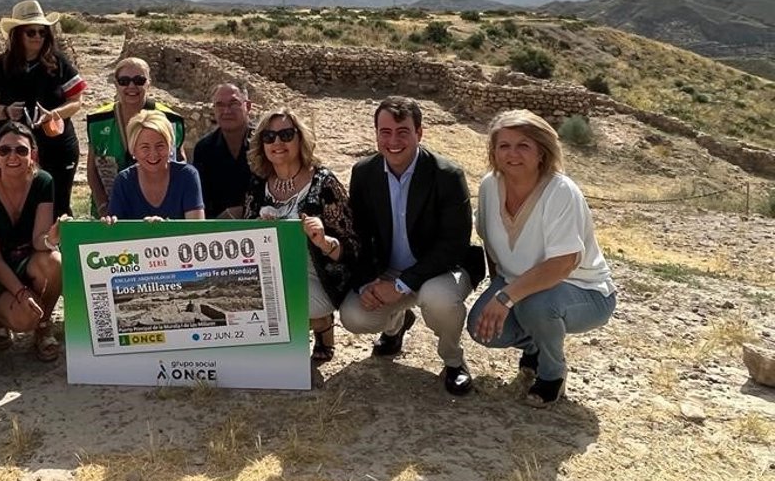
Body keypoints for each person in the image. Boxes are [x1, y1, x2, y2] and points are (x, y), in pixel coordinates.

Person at [467, 110, 617, 405]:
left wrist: (504, 298)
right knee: (481, 329)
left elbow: (562, 264)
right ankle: (536, 344)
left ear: (541, 152)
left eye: (523, 145)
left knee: (535, 305)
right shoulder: (489, 187)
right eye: (504, 145)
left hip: (583, 291)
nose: (512, 154)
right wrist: (498, 288)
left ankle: (552, 374)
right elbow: (491, 246)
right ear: (494, 152)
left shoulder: (560, 191)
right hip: (517, 287)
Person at [341, 96, 484, 396]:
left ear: (419, 133)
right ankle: (395, 325)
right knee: (353, 315)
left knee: (439, 301)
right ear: (376, 134)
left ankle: (453, 360)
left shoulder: (447, 175)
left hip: (439, 270)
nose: (393, 141)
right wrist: (368, 282)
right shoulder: (364, 173)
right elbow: (359, 235)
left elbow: (453, 244)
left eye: (403, 132)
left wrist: (403, 284)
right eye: (385, 132)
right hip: (390, 271)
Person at [241, 109, 357, 363]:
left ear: (300, 139)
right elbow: (246, 238)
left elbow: (352, 248)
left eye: (286, 135)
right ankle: (315, 327)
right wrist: (258, 229)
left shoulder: (323, 183)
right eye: (269, 136)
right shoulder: (258, 184)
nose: (277, 142)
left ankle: (320, 323)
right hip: (271, 274)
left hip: (317, 277)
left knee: (277, 304)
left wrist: (324, 242)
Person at [0, 122, 64, 361]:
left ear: (33, 155)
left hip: (27, 258)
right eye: (5, 150)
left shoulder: (43, 182)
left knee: (55, 261)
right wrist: (21, 293)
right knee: (23, 320)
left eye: (21, 150)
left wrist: (51, 239)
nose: (13, 156)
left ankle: (43, 325)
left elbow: (39, 240)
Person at [0, 0, 86, 217]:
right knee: (18, 206)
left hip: (57, 147)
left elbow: (76, 101)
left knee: (58, 206)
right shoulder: (1, 66)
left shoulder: (58, 63)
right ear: (18, 34)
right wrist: (7, 112)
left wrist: (54, 114)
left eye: (43, 32)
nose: (38, 37)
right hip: (15, 150)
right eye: (31, 32)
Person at [86, 57, 185, 217]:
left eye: (139, 80)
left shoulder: (170, 119)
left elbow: (179, 164)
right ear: (116, 84)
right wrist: (103, 207)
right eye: (124, 81)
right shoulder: (98, 121)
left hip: (158, 212)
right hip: (109, 213)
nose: (131, 86)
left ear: (149, 83)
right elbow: (92, 170)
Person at [107, 110, 205, 220]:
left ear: (170, 147)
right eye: (145, 147)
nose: (153, 154)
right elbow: (116, 226)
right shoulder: (123, 181)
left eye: (160, 146)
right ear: (133, 150)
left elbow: (196, 227)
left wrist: (162, 228)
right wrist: (109, 223)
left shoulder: (187, 175)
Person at [192, 82, 253, 219]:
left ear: (248, 106)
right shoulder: (204, 149)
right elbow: (201, 199)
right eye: (220, 105)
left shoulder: (266, 143)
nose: (226, 111)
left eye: (233, 104)